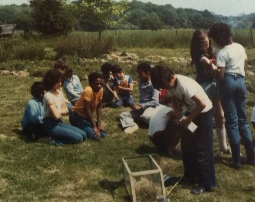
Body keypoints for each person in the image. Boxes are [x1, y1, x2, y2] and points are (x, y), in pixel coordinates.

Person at [151, 65, 216, 195]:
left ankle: (206, 183)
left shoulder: (185, 84)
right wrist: (180, 113)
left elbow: (202, 104)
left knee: (202, 149)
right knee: (187, 145)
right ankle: (190, 176)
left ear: (169, 78)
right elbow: (175, 99)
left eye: (164, 85)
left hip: (203, 114)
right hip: (192, 113)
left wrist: (189, 119)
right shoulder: (172, 84)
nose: (165, 88)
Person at [208, 22, 255, 169]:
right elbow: (243, 65)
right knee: (243, 120)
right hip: (241, 81)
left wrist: (212, 69)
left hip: (227, 82)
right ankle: (252, 156)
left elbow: (221, 75)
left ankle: (236, 160)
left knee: (232, 121)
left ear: (219, 38)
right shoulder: (240, 47)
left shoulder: (222, 52)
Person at [190, 29, 230, 154]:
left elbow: (218, 63)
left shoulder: (213, 51)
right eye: (201, 45)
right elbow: (210, 66)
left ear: (209, 41)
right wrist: (213, 66)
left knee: (220, 115)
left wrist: (215, 63)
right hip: (204, 87)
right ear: (196, 45)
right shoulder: (198, 54)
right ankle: (198, 141)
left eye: (206, 44)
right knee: (201, 115)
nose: (203, 47)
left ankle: (223, 146)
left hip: (215, 85)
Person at [43, 69, 87, 145]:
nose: (60, 84)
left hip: (59, 122)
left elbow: (66, 109)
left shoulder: (59, 92)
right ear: (51, 81)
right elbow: (57, 116)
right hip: (50, 124)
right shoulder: (48, 96)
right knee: (79, 138)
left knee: (84, 135)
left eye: (61, 81)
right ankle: (54, 141)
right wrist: (58, 112)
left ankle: (58, 136)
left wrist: (57, 111)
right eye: (57, 82)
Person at [120, 62, 160, 134]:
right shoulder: (141, 82)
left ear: (148, 73)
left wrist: (141, 106)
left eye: (140, 74)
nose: (139, 76)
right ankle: (132, 125)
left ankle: (156, 123)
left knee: (146, 116)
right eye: (138, 73)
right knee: (123, 114)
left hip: (152, 108)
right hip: (142, 109)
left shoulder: (154, 83)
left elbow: (155, 102)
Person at [69, 72, 107, 141]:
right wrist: (94, 127)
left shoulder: (100, 90)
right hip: (76, 116)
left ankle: (84, 127)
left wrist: (99, 124)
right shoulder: (88, 90)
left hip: (86, 117)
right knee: (96, 137)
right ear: (90, 83)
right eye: (97, 84)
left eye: (100, 84)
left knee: (104, 134)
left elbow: (99, 107)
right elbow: (87, 110)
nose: (99, 86)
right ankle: (77, 126)